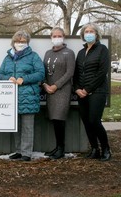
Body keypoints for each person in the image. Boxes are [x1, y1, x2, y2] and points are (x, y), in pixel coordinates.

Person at [0, 30, 45, 161]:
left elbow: (41, 73)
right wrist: (8, 78)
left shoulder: (33, 56)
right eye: (18, 41)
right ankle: (18, 151)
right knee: (15, 126)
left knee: (27, 126)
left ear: (27, 43)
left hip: (28, 96)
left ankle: (26, 153)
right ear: (13, 42)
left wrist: (24, 78)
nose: (20, 43)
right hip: (11, 98)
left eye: (23, 41)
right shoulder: (7, 58)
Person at [73, 22, 111, 161]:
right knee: (87, 122)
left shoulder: (102, 49)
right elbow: (76, 73)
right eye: (86, 32)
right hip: (81, 93)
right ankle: (95, 149)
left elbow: (102, 72)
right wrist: (77, 88)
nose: (89, 34)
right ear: (83, 35)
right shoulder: (81, 52)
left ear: (96, 34)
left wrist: (88, 89)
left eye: (91, 31)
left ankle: (106, 149)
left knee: (94, 121)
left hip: (97, 92)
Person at [42, 27, 75, 159]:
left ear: (63, 37)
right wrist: (45, 84)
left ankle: (61, 148)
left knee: (59, 118)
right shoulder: (48, 53)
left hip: (62, 90)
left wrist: (56, 85)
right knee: (54, 120)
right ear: (51, 38)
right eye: (54, 36)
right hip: (49, 90)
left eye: (59, 35)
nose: (56, 38)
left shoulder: (69, 53)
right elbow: (43, 70)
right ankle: (57, 147)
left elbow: (70, 73)